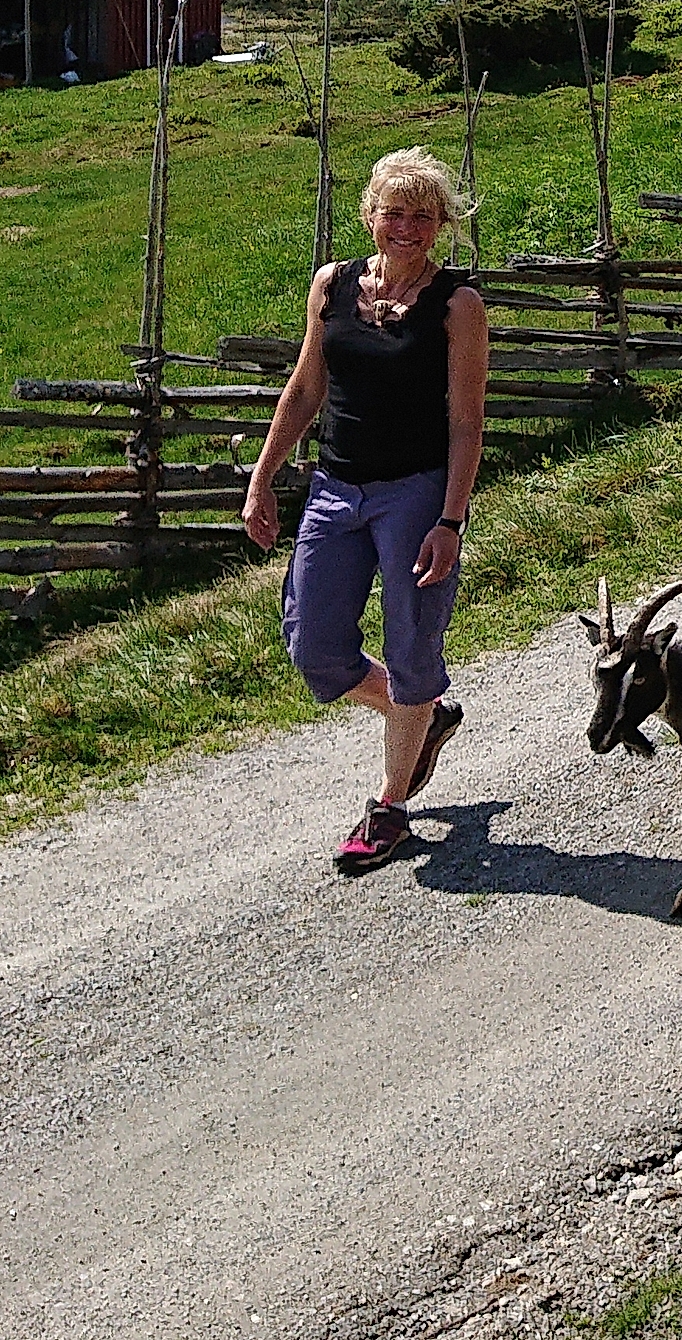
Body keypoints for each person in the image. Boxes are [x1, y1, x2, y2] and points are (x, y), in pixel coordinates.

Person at [245, 147, 490, 875]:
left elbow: (467, 423)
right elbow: (304, 388)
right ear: (370, 216)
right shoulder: (333, 284)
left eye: (422, 215)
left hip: (414, 491)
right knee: (312, 643)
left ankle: (389, 807)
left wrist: (450, 521)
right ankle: (421, 718)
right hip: (335, 487)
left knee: (413, 645)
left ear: (441, 224)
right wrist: (264, 478)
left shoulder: (458, 306)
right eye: (394, 212)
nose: (406, 227)